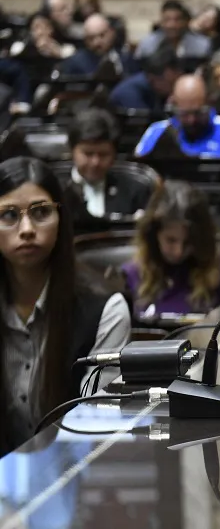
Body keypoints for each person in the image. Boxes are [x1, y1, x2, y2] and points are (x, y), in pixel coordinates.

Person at [0, 157, 130, 455]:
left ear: (61, 219)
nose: (27, 229)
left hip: (71, 468)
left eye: (41, 212)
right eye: (8, 215)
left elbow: (96, 428)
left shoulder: (105, 310)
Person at [123, 181, 220, 318]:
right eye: (171, 240)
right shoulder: (133, 272)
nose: (178, 251)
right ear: (154, 234)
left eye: (188, 242)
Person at [133, 74, 220, 202]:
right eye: (184, 114)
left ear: (209, 102)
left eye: (198, 113)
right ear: (173, 105)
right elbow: (137, 179)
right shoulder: (157, 132)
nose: (192, 120)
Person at [65, 108, 152, 219]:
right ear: (71, 151)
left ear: (114, 154)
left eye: (103, 154)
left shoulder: (135, 191)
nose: (95, 162)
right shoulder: (55, 189)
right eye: (88, 154)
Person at [133, 0, 212, 61]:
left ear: (185, 22)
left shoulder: (202, 45)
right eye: (167, 20)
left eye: (177, 20)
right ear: (161, 22)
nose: (172, 25)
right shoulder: (147, 45)